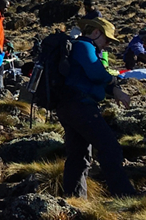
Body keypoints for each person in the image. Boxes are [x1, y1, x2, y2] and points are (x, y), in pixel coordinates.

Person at [57, 19, 137, 200]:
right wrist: (113, 82)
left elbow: (91, 77)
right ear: (95, 33)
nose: (107, 44)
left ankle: (74, 199)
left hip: (67, 107)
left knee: (78, 154)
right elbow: (97, 74)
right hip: (81, 107)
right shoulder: (85, 47)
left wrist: (113, 89)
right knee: (110, 148)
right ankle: (124, 195)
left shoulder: (77, 48)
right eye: (107, 40)